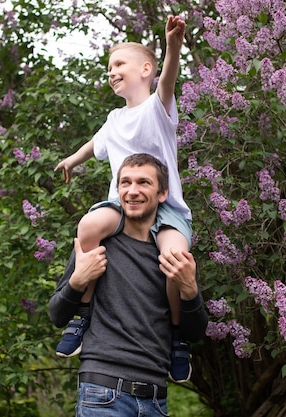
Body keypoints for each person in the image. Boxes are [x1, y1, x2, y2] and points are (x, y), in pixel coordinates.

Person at [54, 15, 194, 382]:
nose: (112, 72)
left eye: (119, 65)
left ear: (145, 69)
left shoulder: (158, 109)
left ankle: (177, 338)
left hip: (165, 208)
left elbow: (168, 79)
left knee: (174, 256)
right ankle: (83, 316)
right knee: (88, 226)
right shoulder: (114, 118)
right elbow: (95, 144)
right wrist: (72, 159)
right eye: (109, 68)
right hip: (122, 204)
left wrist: (173, 45)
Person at [49, 153, 208, 416]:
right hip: (102, 392)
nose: (132, 191)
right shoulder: (100, 245)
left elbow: (195, 332)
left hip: (156, 398)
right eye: (125, 183)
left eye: (143, 182)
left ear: (162, 193)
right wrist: (77, 281)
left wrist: (190, 290)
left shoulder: (172, 253)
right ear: (117, 189)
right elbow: (56, 314)